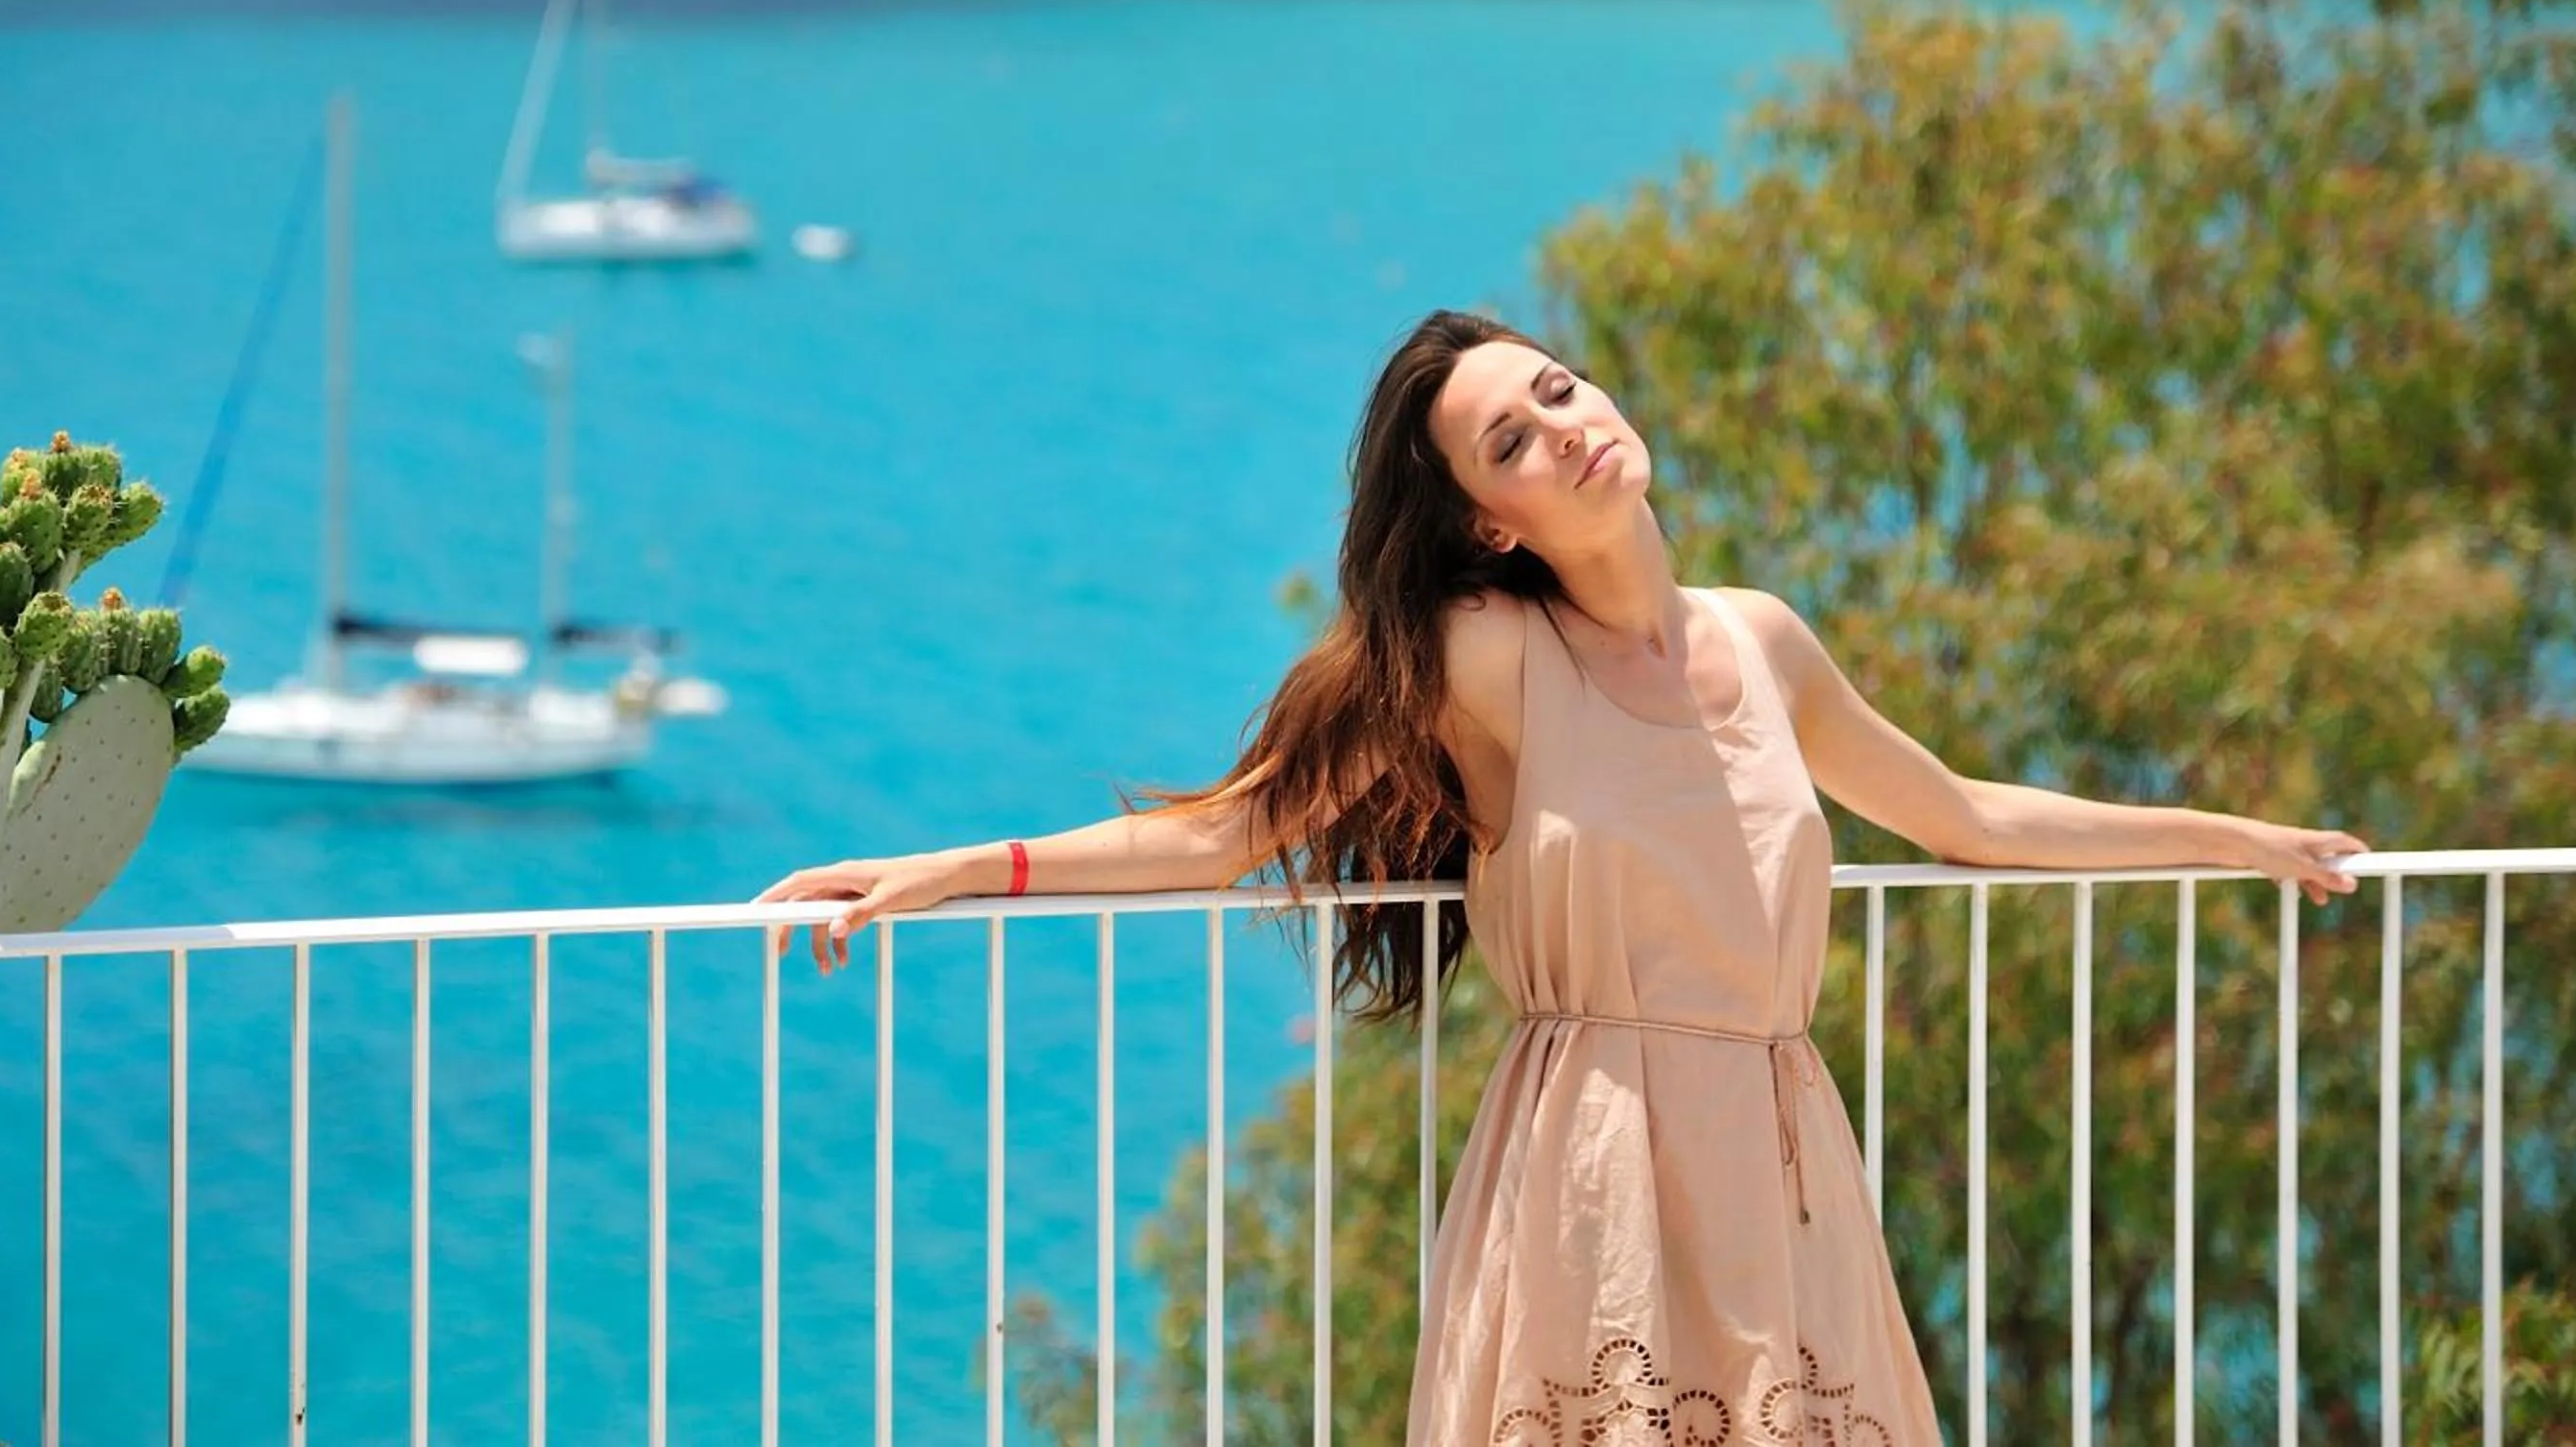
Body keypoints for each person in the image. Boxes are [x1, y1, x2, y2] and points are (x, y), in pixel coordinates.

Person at [756, 309, 2367, 1445]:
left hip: (1783, 1146)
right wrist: (950, 869)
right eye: (1511, 441)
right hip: (1593, 1159)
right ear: (1491, 521)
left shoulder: (1763, 638)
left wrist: (2238, 840)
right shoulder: (1487, 655)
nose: (1567, 432)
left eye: (1563, 391)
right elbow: (1231, 829)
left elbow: (1963, 820)